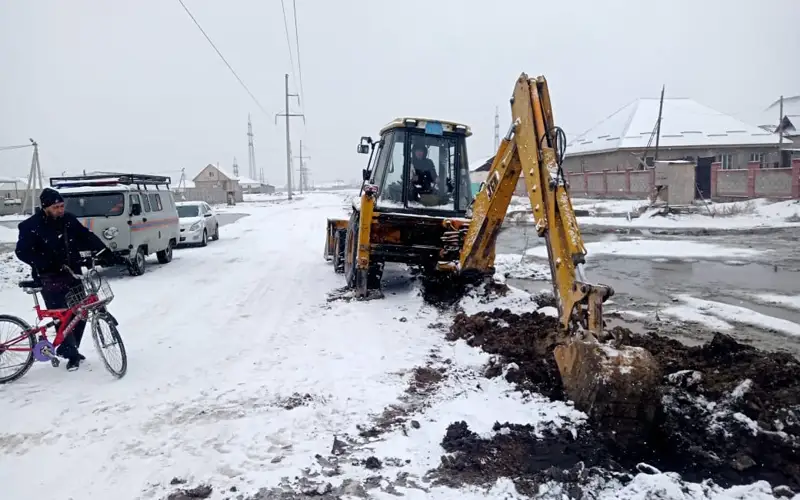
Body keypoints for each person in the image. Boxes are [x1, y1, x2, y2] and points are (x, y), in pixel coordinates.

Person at [15, 187, 109, 371]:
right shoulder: (30, 226)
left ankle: (72, 349)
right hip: (49, 277)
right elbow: (22, 252)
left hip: (72, 273)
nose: (60, 210)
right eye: (56, 207)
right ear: (45, 207)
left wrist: (105, 252)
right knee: (62, 317)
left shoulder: (68, 220)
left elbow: (85, 236)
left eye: (61, 205)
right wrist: (46, 263)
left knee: (81, 312)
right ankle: (70, 353)